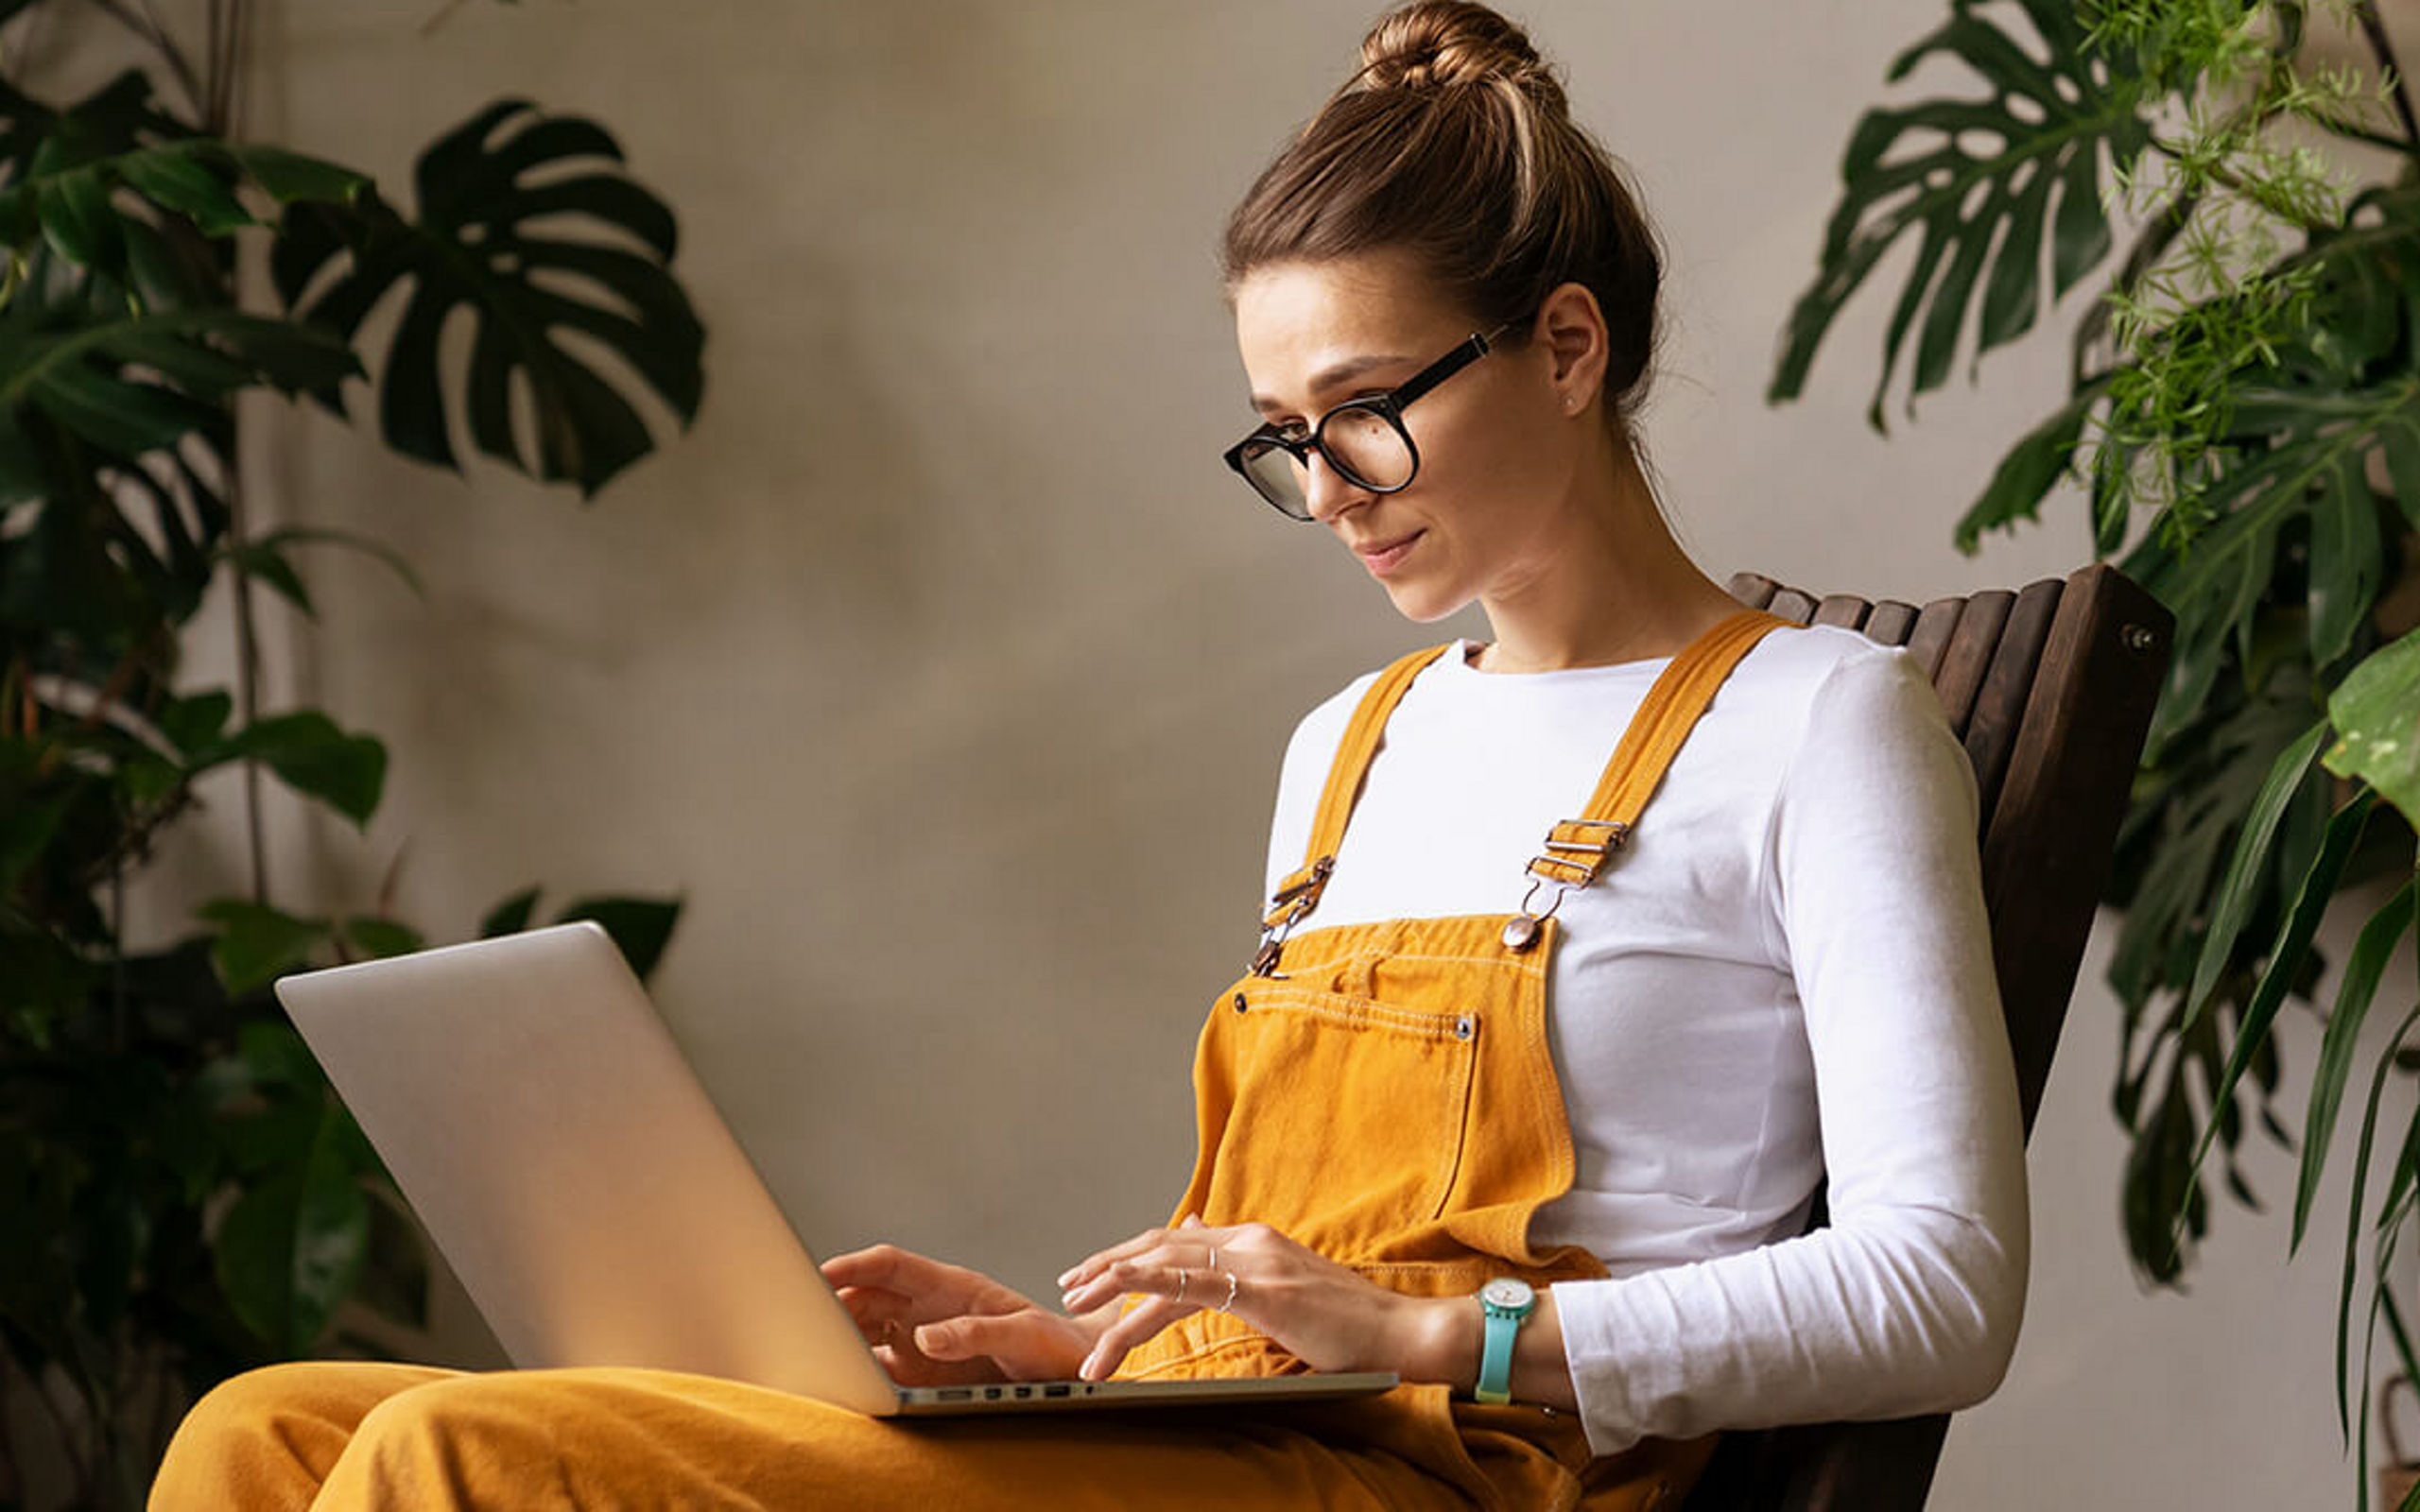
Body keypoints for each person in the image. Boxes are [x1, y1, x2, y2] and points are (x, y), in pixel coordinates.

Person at [149, 3, 2027, 1507]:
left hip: (1459, 1475)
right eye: (1279, 436)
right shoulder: (1348, 747)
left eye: (1362, 413)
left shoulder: (1816, 725)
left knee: (447, 1458)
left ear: (1557, 343)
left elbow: (1940, 1289)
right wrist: (1076, 1351)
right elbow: (1300, 1279)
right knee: (269, 1420)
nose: (1321, 494)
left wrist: (1432, 1329)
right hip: (1259, 1449)